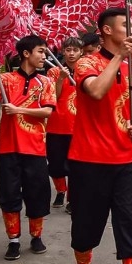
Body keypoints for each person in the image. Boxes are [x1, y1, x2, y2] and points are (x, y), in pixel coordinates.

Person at [69, 7, 132, 264]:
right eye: (124, 25)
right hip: (88, 159)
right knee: (86, 226)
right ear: (106, 31)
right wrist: (119, 57)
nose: (131, 30)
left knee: (130, 222)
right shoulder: (85, 63)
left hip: (127, 159)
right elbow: (95, 91)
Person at [0, 35, 55, 261]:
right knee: (9, 196)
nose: (44, 56)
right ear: (26, 54)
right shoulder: (5, 79)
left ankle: (36, 236)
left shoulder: (46, 82)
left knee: (37, 195)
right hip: (9, 148)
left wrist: (19, 111)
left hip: (35, 148)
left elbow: (47, 112)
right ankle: (13, 240)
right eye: (41, 52)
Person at [47, 36, 83, 211]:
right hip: (57, 125)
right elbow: (53, 97)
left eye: (75, 50)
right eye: (68, 50)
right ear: (63, 51)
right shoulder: (54, 71)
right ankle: (61, 189)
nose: (71, 53)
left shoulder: (86, 71)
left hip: (79, 126)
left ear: (81, 52)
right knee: (55, 164)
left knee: (76, 166)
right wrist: (61, 79)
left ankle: (72, 199)